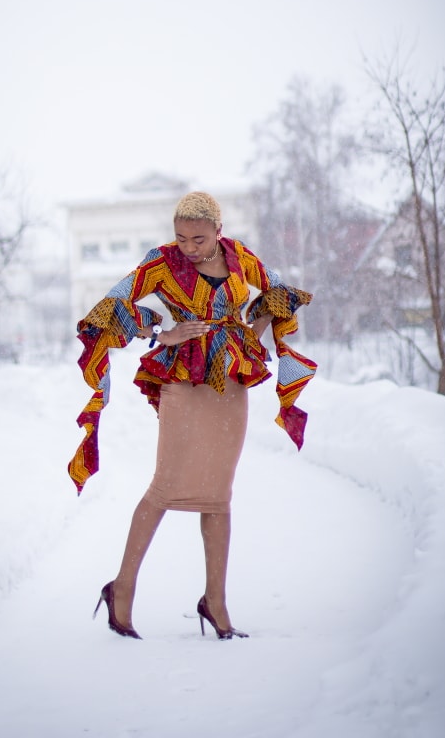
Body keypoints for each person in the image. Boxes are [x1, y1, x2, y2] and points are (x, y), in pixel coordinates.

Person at [68, 191, 316, 640]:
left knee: (219, 495)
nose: (189, 247)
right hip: (182, 379)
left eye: (198, 239)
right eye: (181, 237)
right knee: (165, 486)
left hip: (230, 383)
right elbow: (109, 306)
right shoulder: (161, 263)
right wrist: (163, 333)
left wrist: (252, 331)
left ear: (219, 233)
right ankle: (122, 587)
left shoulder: (241, 258)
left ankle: (215, 602)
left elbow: (280, 291)